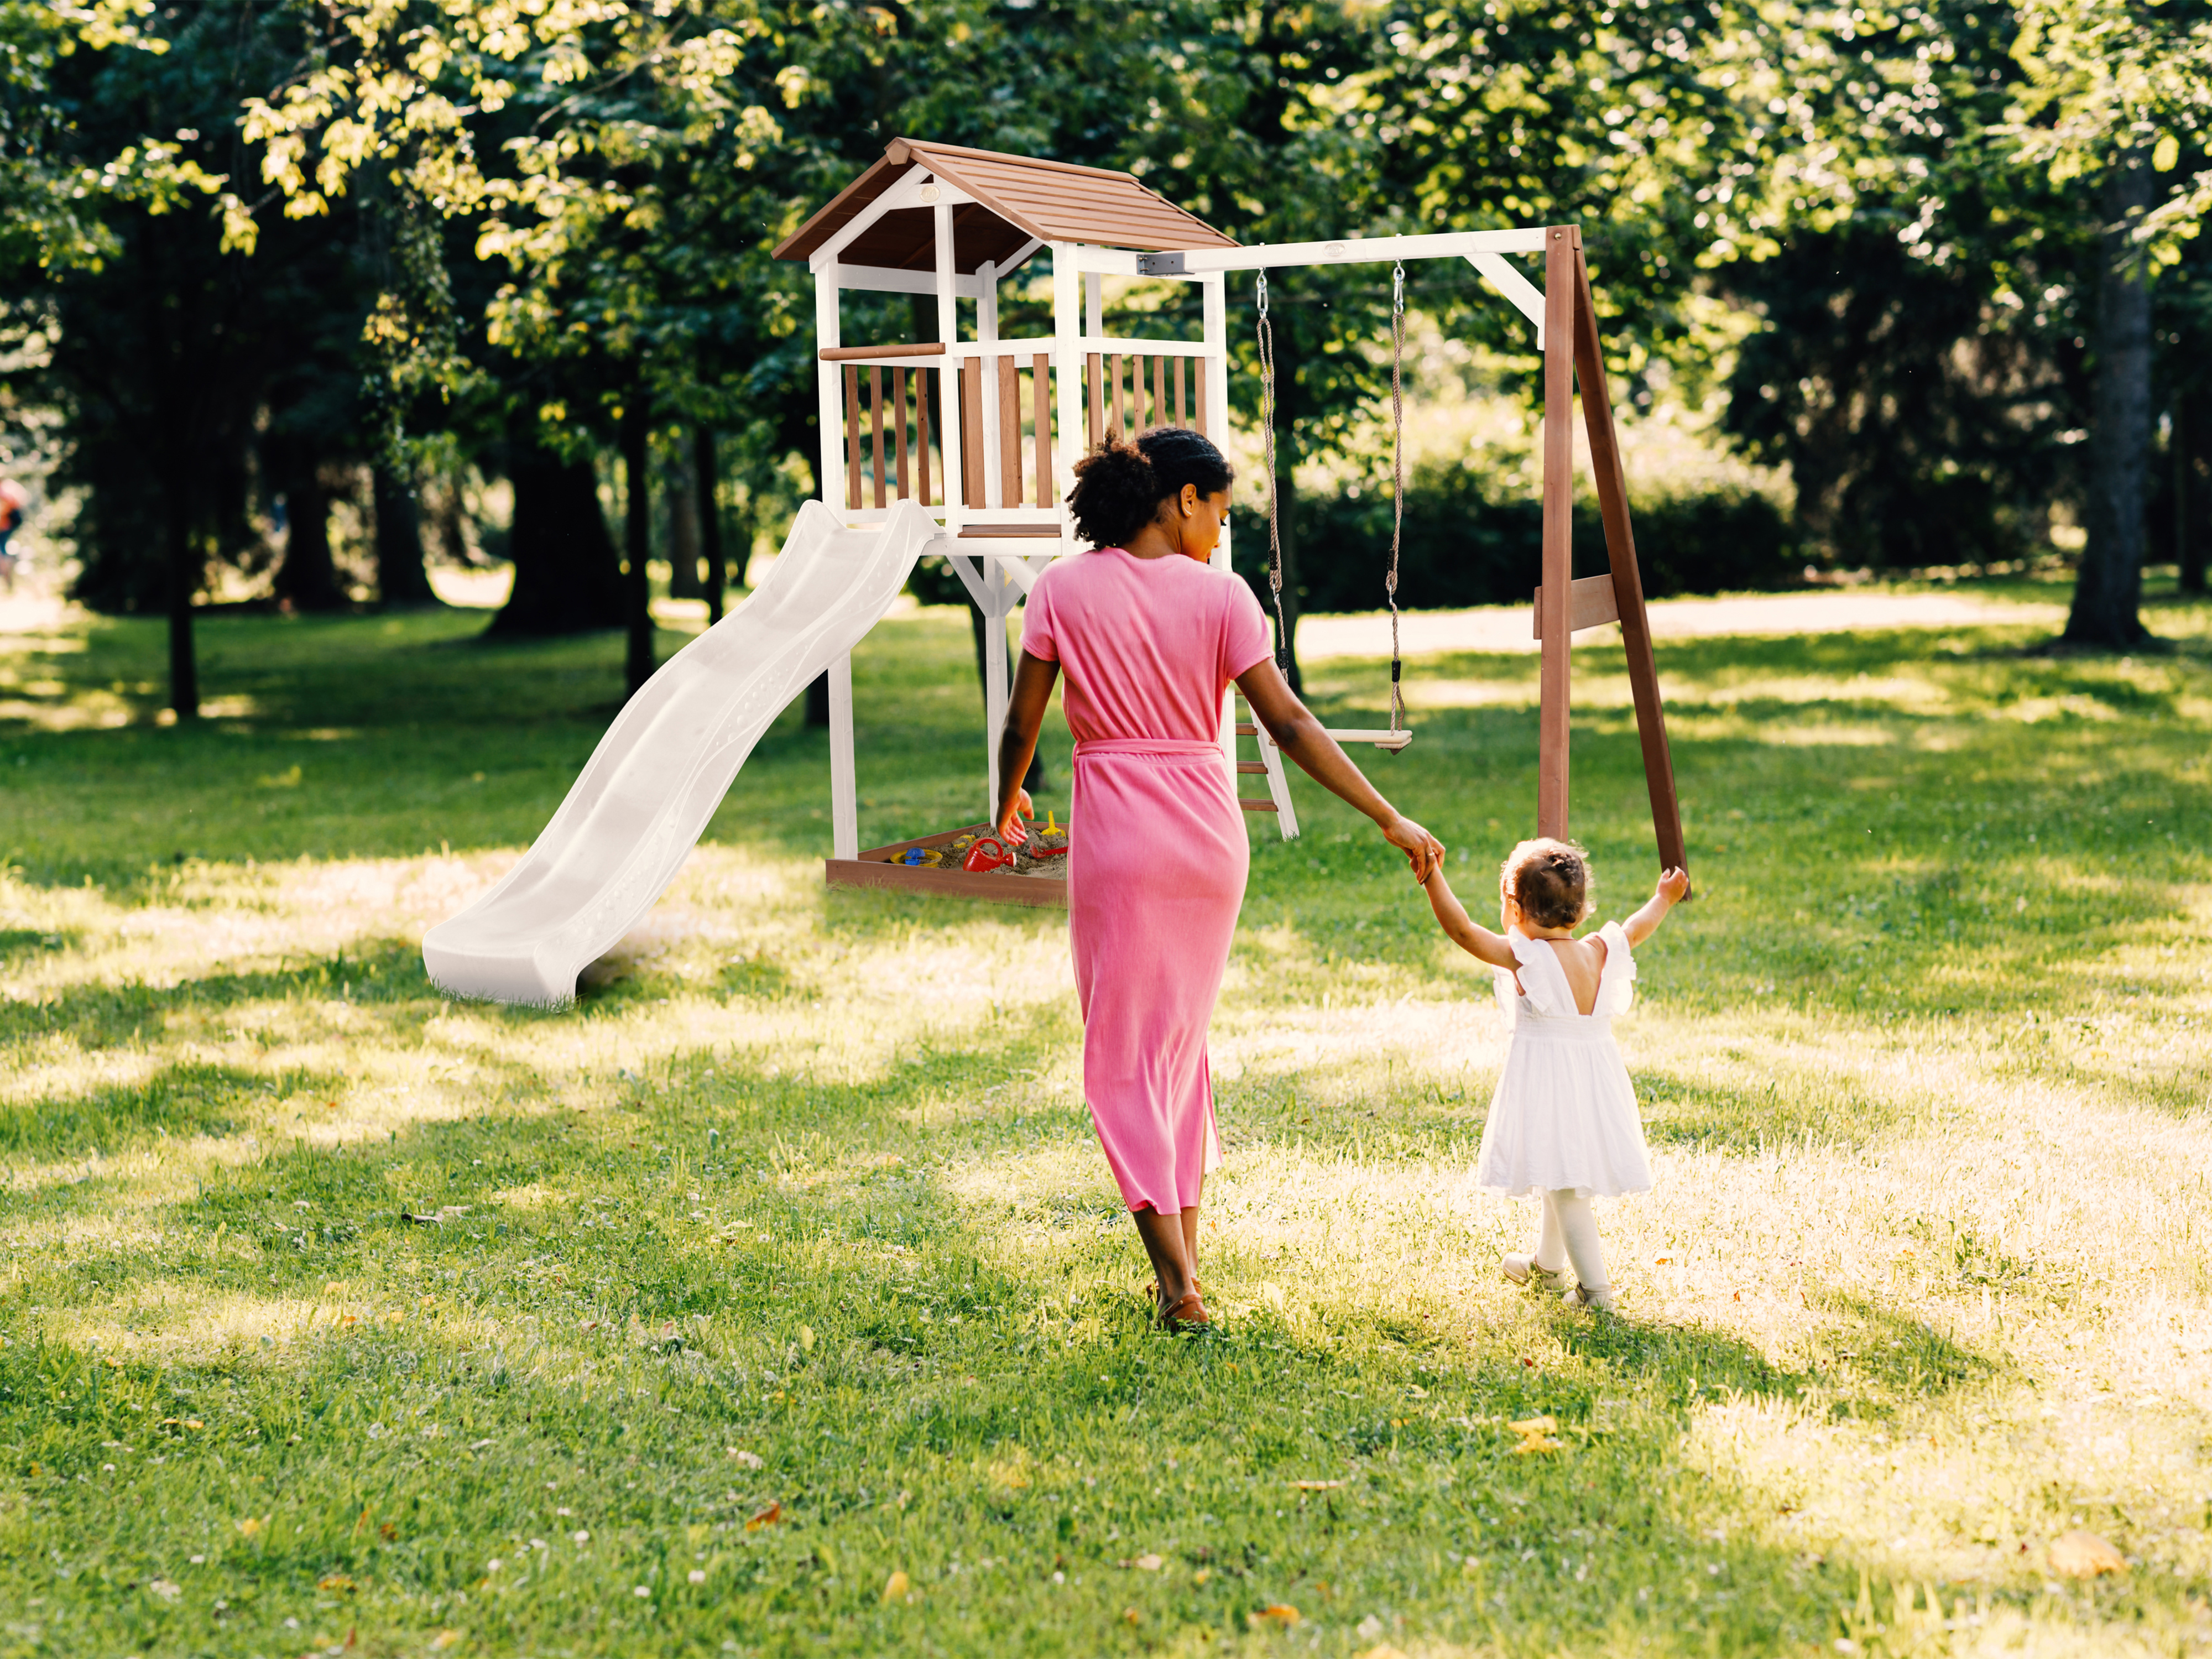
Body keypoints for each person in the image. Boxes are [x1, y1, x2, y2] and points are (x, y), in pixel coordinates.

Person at [994, 428, 1444, 1332]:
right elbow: (1290, 724)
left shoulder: (1061, 589)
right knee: (1175, 1051)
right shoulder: (1225, 598)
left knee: (1124, 1059)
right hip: (1207, 841)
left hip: (1120, 839)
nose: (1221, 533)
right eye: (1221, 513)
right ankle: (1185, 1268)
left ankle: (1176, 1285)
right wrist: (1385, 814)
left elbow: (1022, 725)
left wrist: (1002, 808)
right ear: (1182, 499)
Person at [1418, 838, 1689, 1311]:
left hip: (1551, 1083)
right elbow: (1635, 927)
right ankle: (1547, 1267)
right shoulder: (1598, 951)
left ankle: (1596, 1292)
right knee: (1555, 1169)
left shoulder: (1527, 958)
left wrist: (1431, 875)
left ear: (1515, 908)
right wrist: (1663, 898)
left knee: (1565, 1187)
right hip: (1594, 1080)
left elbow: (1462, 931)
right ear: (1580, 912)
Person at [0, 479, 27, 594]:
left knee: (2, 550)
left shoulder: (4, 491)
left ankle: (6, 574)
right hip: (10, 523)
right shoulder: (8, 486)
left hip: (7, 524)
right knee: (3, 549)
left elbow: (5, 509)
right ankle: (7, 576)